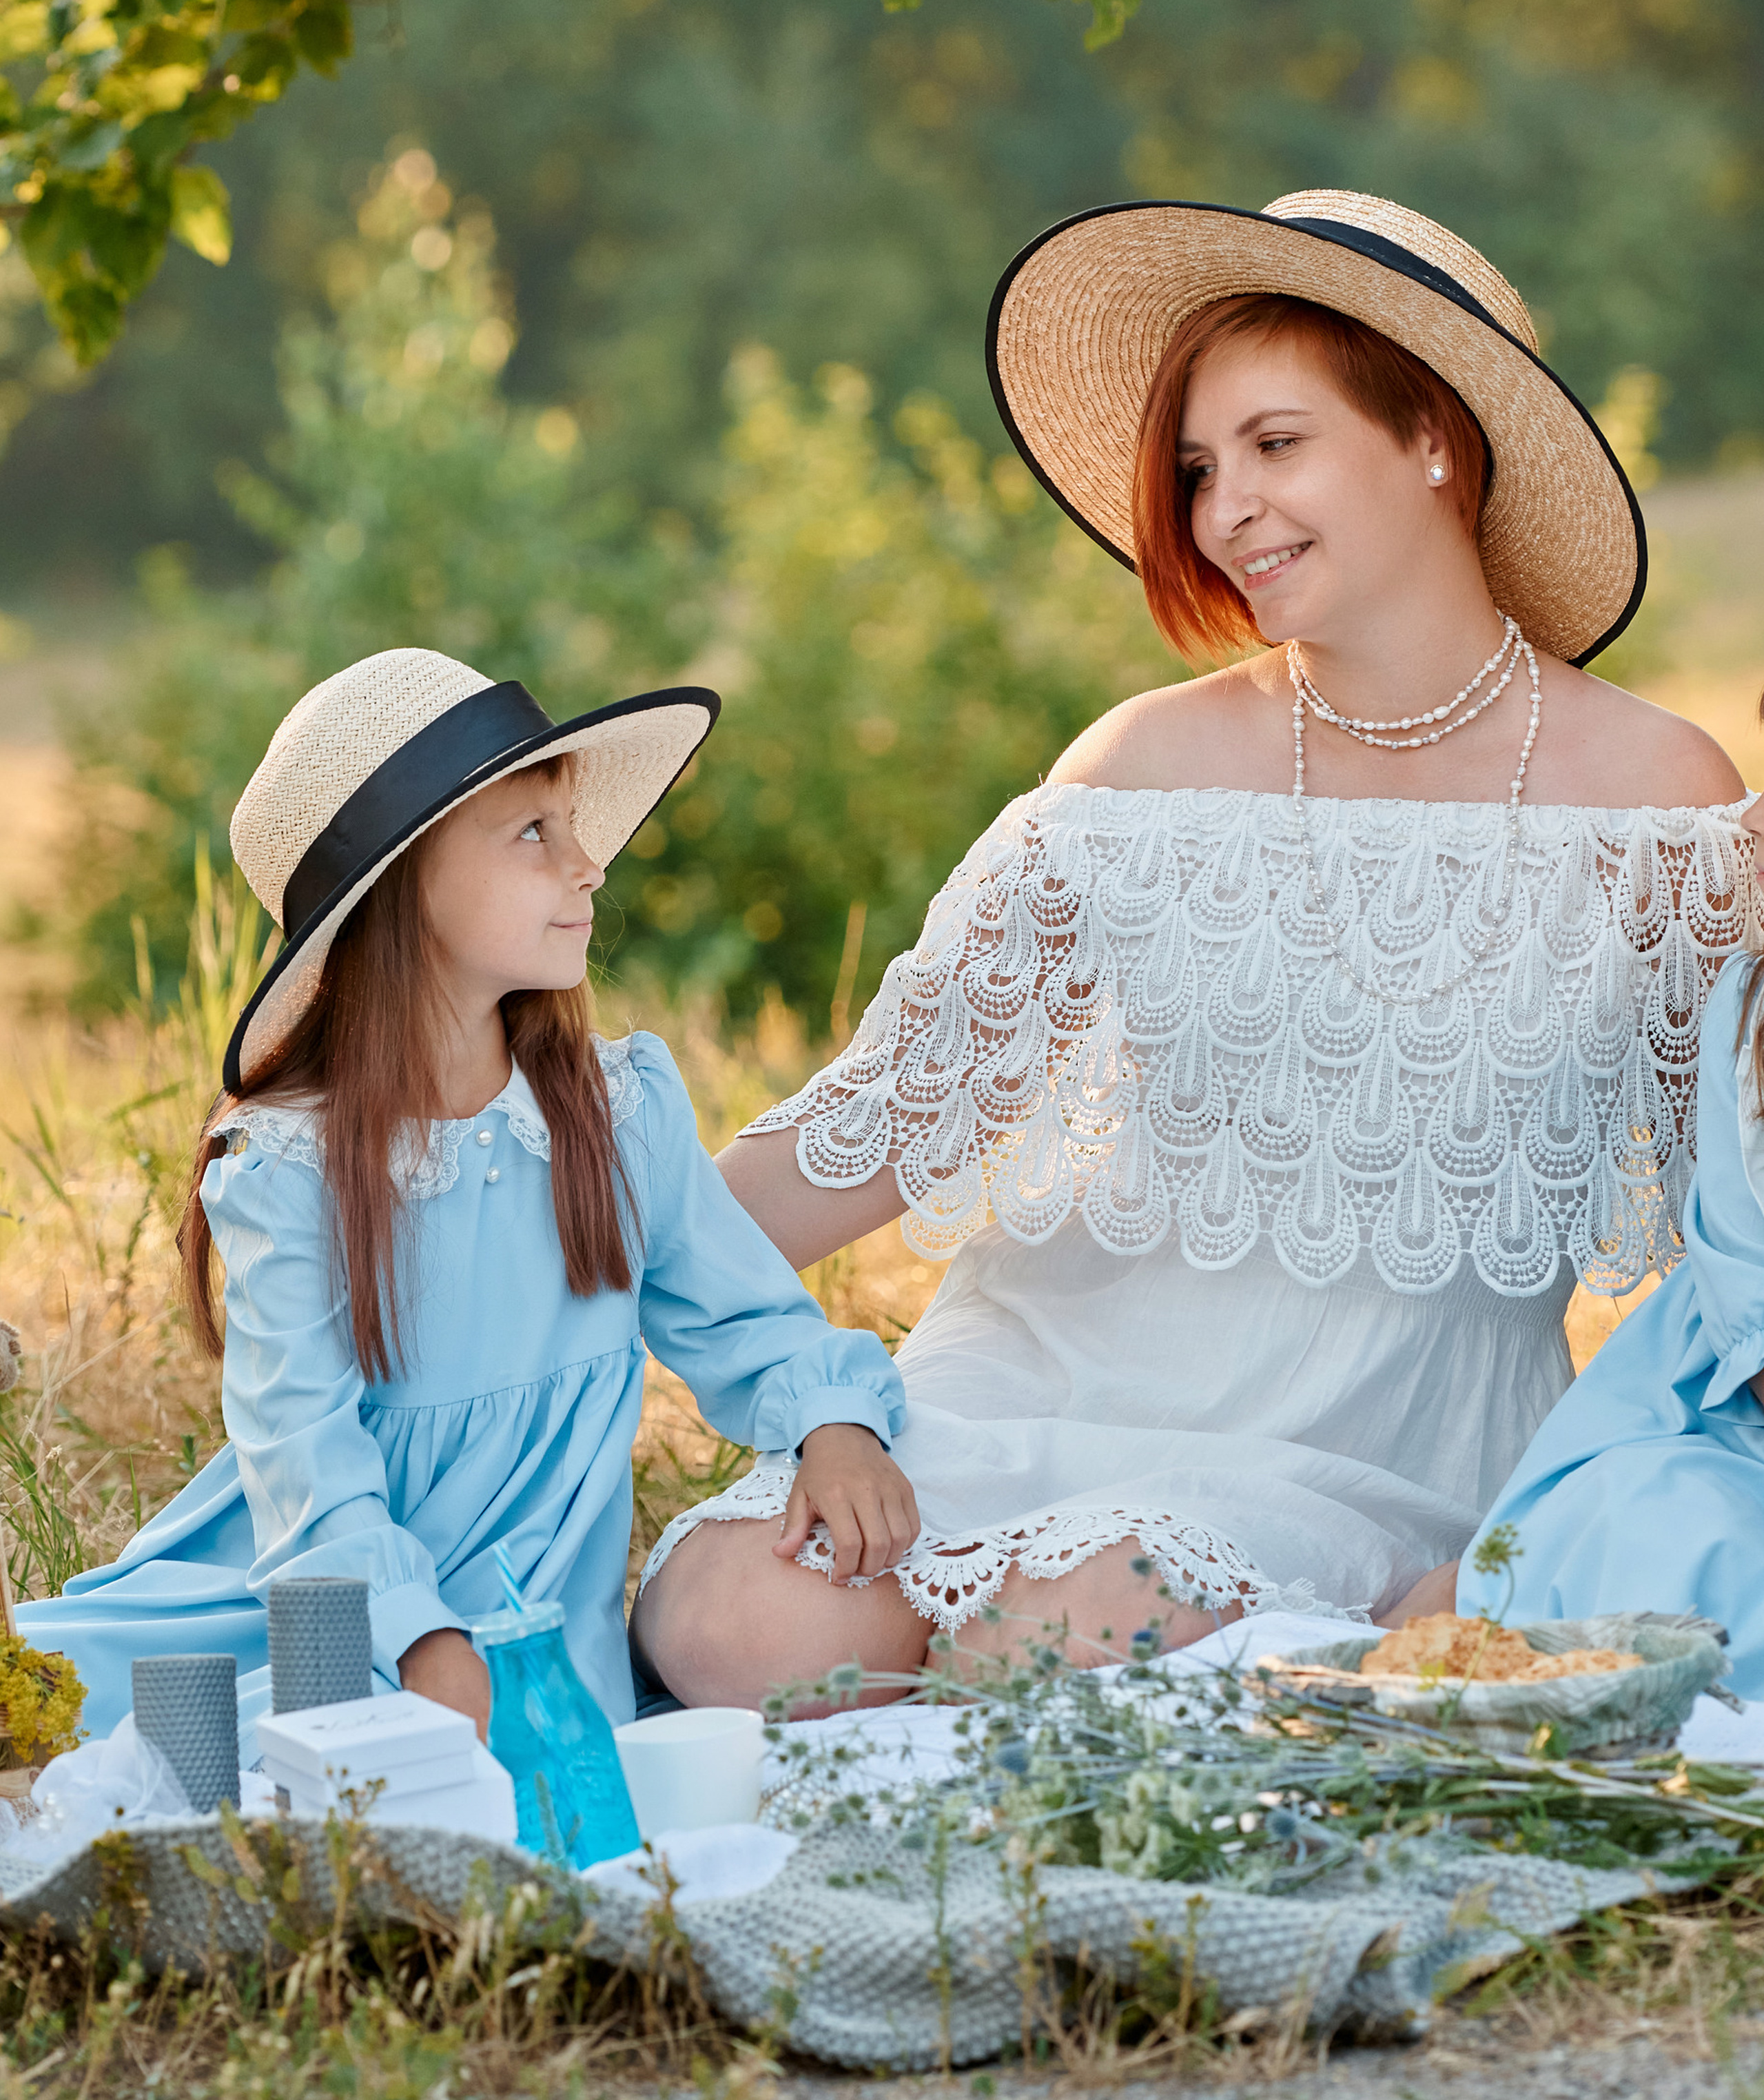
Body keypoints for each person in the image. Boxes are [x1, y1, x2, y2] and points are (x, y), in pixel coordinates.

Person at [633, 190, 1754, 1713]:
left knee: (1073, 1636)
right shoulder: (1133, 774)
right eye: (1195, 469)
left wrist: (1566, 1519)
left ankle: (1040, 1750)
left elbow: (1730, 1226)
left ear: (1431, 436)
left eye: (1274, 446)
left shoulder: (1659, 804)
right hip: (1026, 1385)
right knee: (721, 1623)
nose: (1224, 510)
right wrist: (528, 1257)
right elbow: (882, 1122)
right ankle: (1027, 1754)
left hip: (1372, 1444)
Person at [12, 649, 915, 1749]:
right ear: (403, 885)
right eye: (533, 834)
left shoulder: (614, 1117)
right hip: (323, 1608)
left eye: (572, 827)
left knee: (518, 1790)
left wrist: (833, 1424)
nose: (587, 867)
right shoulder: (288, 1171)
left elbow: (748, 1325)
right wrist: (420, 1640)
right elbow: (308, 1468)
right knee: (152, 1750)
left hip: (533, 1634)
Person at [1457, 782, 1764, 1689]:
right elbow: (1744, 1269)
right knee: (1665, 1526)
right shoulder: (1751, 1001)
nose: (1752, 817)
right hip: (1735, 1424)